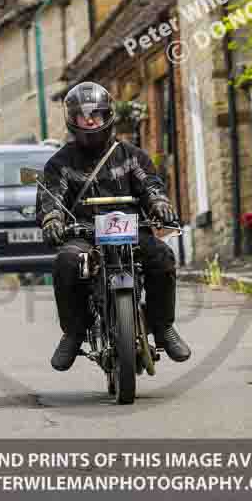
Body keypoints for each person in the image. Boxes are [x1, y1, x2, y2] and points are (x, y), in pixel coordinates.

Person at [36, 81, 191, 371]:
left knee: (161, 257)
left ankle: (163, 328)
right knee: (67, 262)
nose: (90, 120)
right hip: (84, 235)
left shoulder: (132, 155)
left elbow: (150, 184)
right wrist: (52, 219)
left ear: (108, 116)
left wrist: (159, 202)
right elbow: (51, 196)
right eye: (83, 116)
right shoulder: (59, 163)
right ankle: (73, 332)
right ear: (73, 120)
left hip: (130, 231)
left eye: (95, 114)